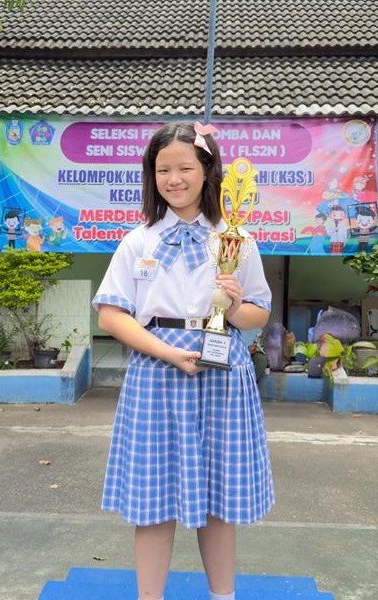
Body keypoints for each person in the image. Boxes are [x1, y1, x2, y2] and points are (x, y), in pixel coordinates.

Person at [92, 121, 275, 600]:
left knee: (219, 498)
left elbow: (257, 314)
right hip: (156, 372)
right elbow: (111, 314)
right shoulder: (139, 241)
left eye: (185, 168)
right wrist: (166, 352)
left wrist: (234, 306)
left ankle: (224, 596)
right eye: (162, 170)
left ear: (208, 171)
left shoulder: (237, 239)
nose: (173, 179)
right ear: (151, 176)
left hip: (221, 371)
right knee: (153, 501)